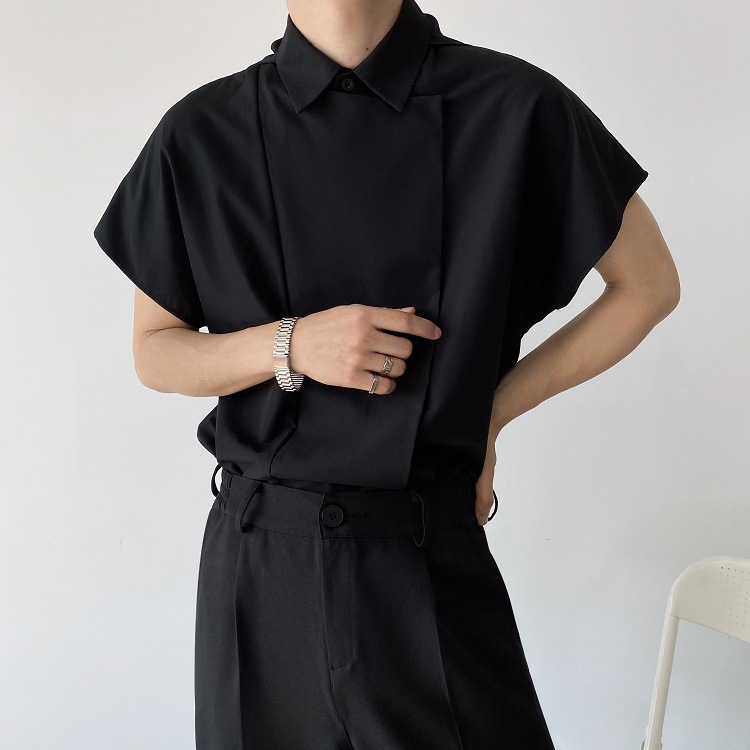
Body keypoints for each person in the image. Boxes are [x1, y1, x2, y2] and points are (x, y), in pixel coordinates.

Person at [92, 0, 679, 747]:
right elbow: (155, 350)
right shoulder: (201, 131)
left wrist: (492, 412)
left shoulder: (516, 107)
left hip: (426, 556)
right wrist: (293, 345)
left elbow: (647, 286)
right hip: (262, 565)